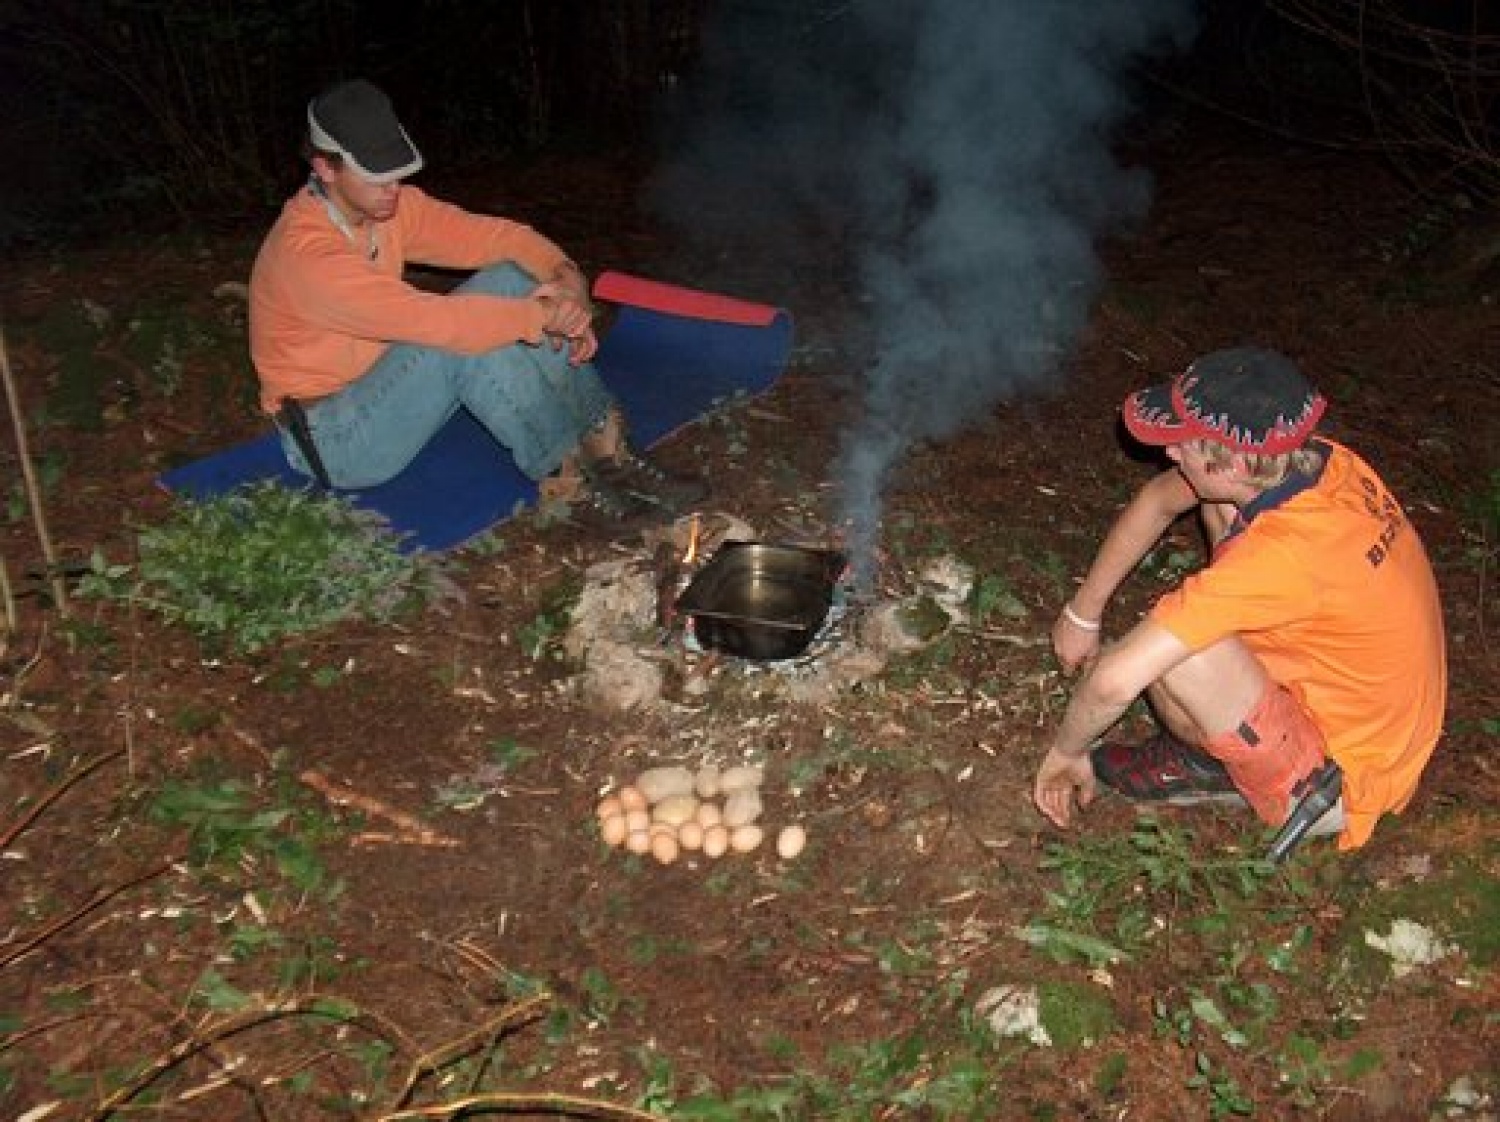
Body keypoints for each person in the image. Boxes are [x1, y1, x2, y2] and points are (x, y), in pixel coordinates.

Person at [1031, 347, 1446, 852]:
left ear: (1233, 463)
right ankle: (1235, 729)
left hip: (1337, 782)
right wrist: (1083, 613)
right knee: (1219, 515)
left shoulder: (1286, 556)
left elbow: (1114, 682)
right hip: (1381, 722)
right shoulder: (1318, 461)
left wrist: (1066, 751)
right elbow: (1162, 498)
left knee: (1180, 654)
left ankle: (1206, 767)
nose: (1170, 452)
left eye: (1185, 444)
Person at [249, 77, 699, 518]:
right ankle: (571, 483)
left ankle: (608, 448)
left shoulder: (385, 206)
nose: (394, 189)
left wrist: (567, 283)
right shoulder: (306, 256)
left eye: (399, 174)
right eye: (377, 177)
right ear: (325, 168)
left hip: (388, 382)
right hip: (336, 436)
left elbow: (498, 239)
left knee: (509, 277)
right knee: (462, 345)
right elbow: (438, 325)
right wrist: (543, 316)